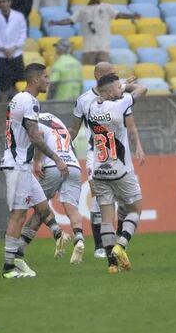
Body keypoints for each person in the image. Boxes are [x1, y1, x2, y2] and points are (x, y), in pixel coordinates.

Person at [67, 62, 147, 259]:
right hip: (109, 159)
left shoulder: (96, 103)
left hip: (102, 158)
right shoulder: (112, 100)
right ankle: (107, 246)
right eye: (111, 74)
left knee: (107, 207)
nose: (115, 75)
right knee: (121, 206)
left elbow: (130, 125)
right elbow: (74, 129)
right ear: (98, 76)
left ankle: (111, 251)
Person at [1, 63, 71, 280]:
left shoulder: (19, 99)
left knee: (41, 205)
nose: (48, 80)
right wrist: (56, 158)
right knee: (19, 215)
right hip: (17, 164)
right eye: (45, 76)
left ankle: (58, 234)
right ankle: (9, 267)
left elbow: (31, 131)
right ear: (35, 79)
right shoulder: (29, 101)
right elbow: (34, 135)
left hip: (20, 163)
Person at [85, 72, 147, 274]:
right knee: (135, 210)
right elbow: (142, 89)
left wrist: (116, 87)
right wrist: (125, 87)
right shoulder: (120, 105)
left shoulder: (92, 107)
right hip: (120, 169)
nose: (120, 90)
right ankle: (121, 244)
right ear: (110, 91)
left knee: (106, 220)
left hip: (100, 170)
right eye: (116, 88)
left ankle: (111, 264)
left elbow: (103, 94)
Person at [15, 112, 86, 264]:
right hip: (73, 166)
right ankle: (79, 239)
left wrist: (38, 161)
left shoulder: (32, 120)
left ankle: (20, 250)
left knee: (40, 207)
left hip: (54, 165)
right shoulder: (55, 119)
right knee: (72, 209)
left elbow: (39, 135)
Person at [49, 0, 137, 65]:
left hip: (103, 48)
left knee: (103, 75)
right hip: (88, 49)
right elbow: (70, 20)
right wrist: (56, 22)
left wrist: (132, 16)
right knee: (90, 73)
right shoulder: (82, 10)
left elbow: (119, 15)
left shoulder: (106, 7)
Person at [0, 0, 26, 99]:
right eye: (0, 2)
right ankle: (2, 111)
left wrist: (13, 48)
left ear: (9, 2)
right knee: (3, 87)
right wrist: (4, 49)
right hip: (2, 55)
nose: (2, 4)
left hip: (16, 54)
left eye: (4, 1)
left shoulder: (19, 16)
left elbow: (22, 34)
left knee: (19, 84)